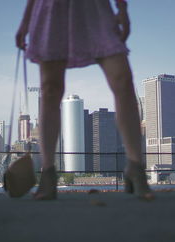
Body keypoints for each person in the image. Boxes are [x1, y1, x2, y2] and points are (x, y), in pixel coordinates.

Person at [15, 0, 154, 200]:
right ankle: (48, 174)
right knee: (50, 89)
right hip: (52, 9)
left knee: (122, 79)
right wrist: (25, 22)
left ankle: (135, 168)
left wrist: (122, 8)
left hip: (95, 7)